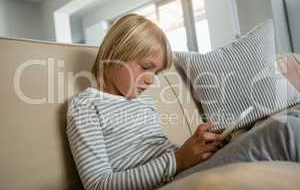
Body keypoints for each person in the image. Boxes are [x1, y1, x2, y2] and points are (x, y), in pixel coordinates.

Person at [66, 14, 300, 190]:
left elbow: (162, 154)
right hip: (166, 182)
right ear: (114, 53)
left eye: (156, 73)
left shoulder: (143, 102)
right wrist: (178, 160)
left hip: (180, 171)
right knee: (285, 130)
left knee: (290, 120)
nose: (151, 80)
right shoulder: (87, 106)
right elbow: (98, 185)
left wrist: (197, 147)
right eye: (146, 67)